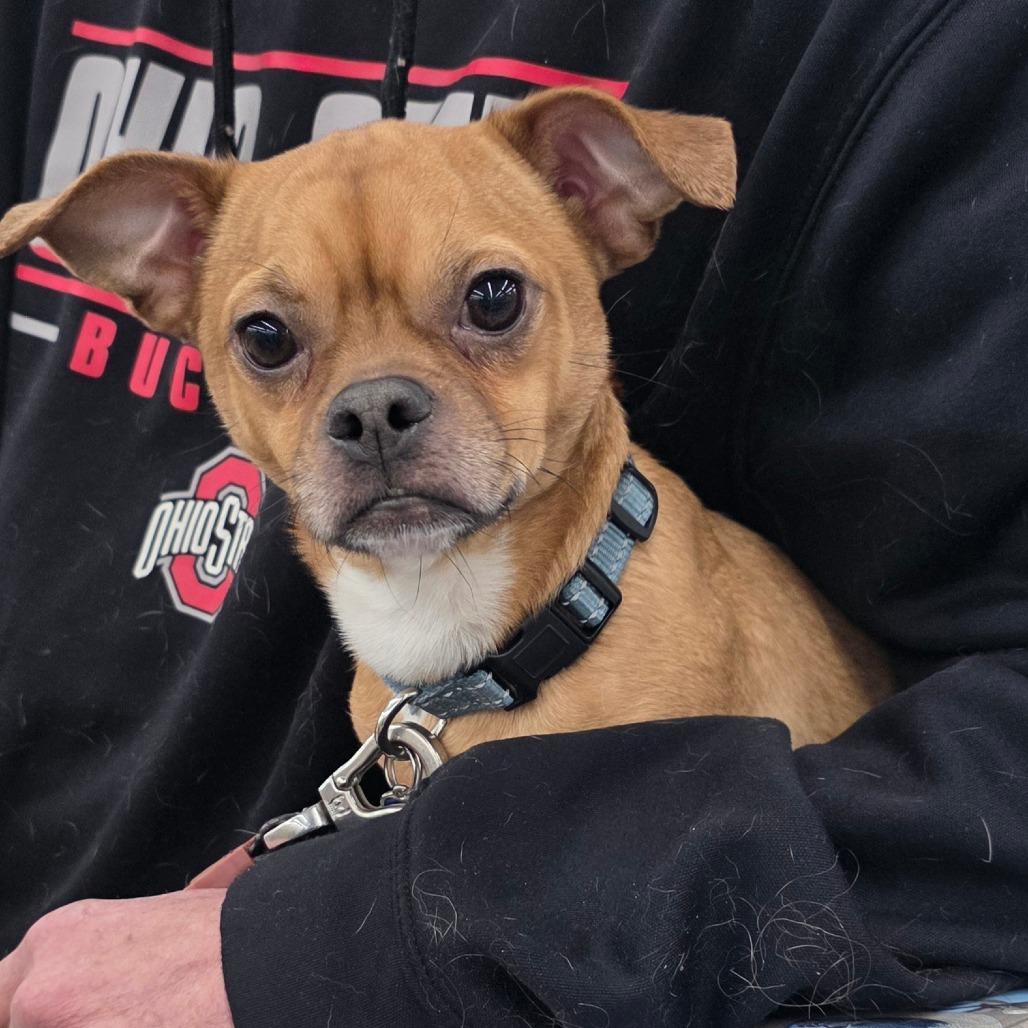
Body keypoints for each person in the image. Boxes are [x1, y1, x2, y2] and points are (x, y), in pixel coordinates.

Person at [2, 0, 1028, 1024]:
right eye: (273, 341)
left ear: (600, 201)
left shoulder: (668, 675)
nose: (375, 408)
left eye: (488, 304)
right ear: (166, 276)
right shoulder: (388, 696)